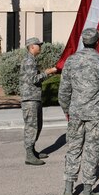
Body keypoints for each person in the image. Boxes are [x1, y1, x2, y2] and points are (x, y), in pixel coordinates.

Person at [59, 28, 99, 195]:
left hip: (76, 113)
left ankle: (68, 190)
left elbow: (64, 89)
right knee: (92, 151)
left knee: (73, 149)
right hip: (95, 114)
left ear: (82, 41)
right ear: (97, 42)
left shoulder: (71, 61)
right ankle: (87, 192)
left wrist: (65, 109)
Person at [20, 37, 59, 166]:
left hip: (34, 98)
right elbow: (33, 79)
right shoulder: (28, 60)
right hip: (30, 99)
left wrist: (46, 73)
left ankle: (33, 151)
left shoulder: (31, 59)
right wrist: (47, 72)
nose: (40, 47)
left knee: (37, 125)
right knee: (32, 127)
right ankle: (29, 155)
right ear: (32, 47)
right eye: (38, 45)